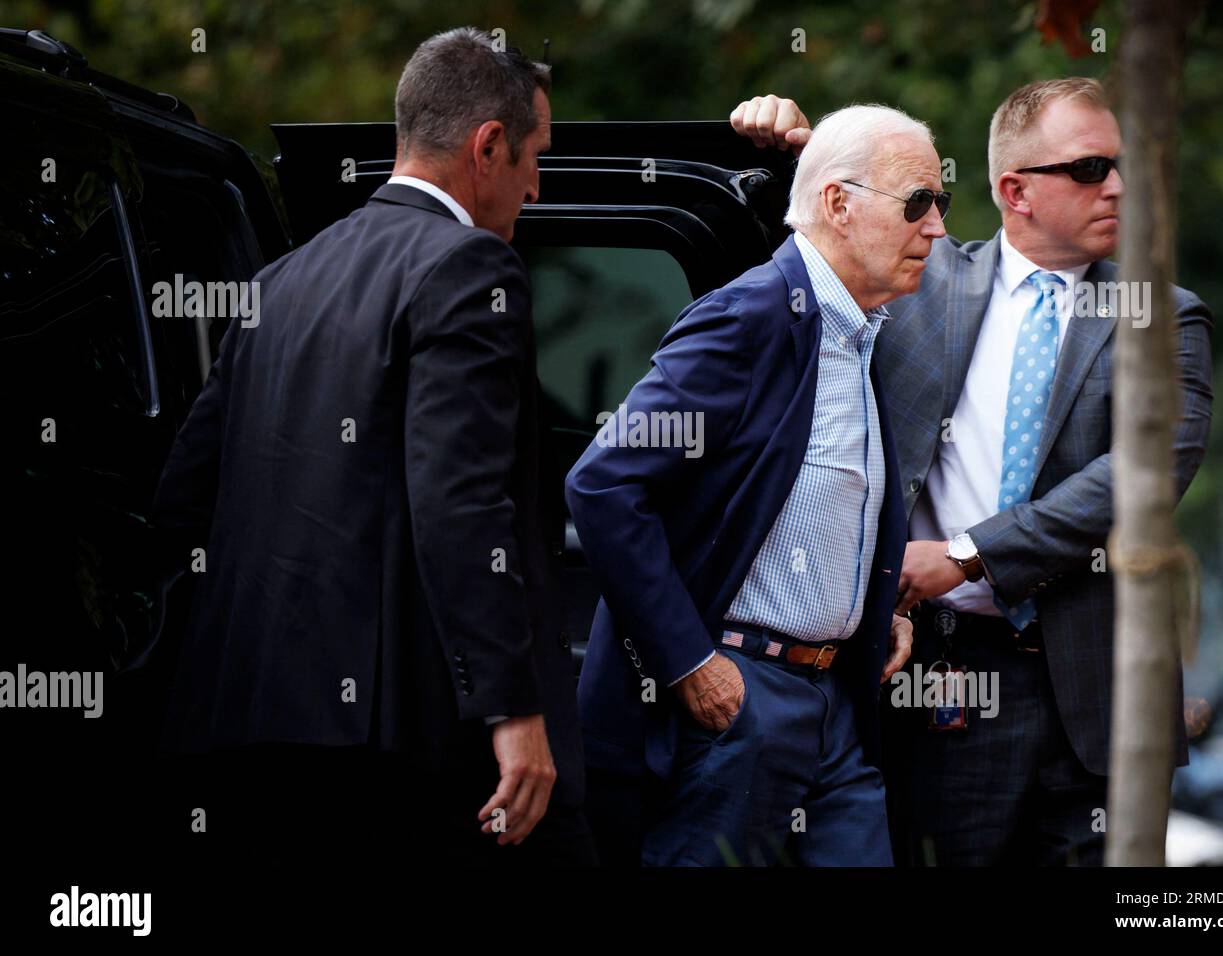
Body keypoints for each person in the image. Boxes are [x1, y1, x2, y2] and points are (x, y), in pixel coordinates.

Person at [731, 79, 1213, 865]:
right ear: (1014, 190)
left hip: (1107, 696)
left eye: (1125, 165)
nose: (1119, 186)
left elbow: (1144, 476)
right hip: (937, 682)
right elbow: (824, 241)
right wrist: (788, 142)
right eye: (1090, 168)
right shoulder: (917, 282)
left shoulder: (1165, 315)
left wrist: (965, 554)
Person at [151, 27, 595, 866]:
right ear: (487, 145)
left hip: (238, 729)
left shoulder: (278, 280)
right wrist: (512, 707)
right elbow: (459, 501)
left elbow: (184, 495)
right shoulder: (470, 268)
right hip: (401, 751)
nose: (535, 189)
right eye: (534, 158)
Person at [567, 104, 949, 865]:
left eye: (942, 203)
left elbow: (822, 506)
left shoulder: (855, 330)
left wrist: (870, 610)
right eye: (918, 203)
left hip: (830, 705)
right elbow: (603, 485)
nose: (936, 228)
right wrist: (689, 664)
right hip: (736, 701)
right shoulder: (749, 316)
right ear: (838, 205)